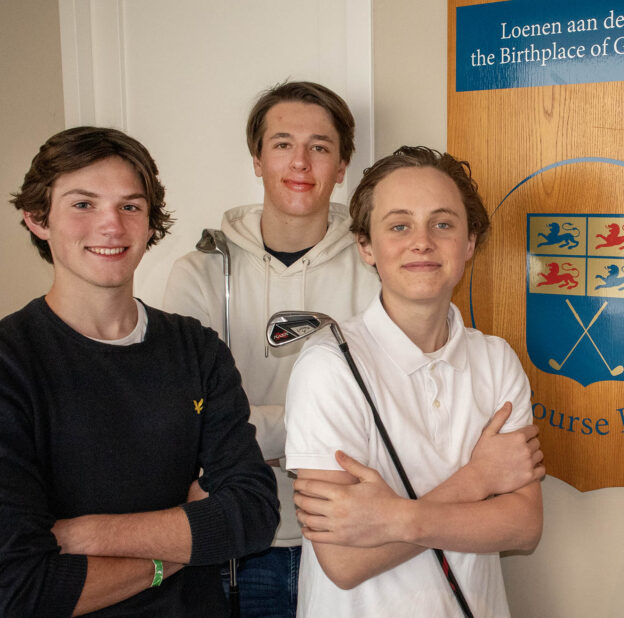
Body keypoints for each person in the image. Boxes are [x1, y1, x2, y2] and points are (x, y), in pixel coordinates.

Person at [0, 126, 279, 616]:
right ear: (38, 219)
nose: (111, 225)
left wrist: (91, 535)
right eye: (83, 204)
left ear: (151, 224)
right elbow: (22, 589)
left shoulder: (196, 349)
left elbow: (252, 515)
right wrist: (181, 544)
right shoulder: (12, 363)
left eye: (130, 206)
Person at [284, 146, 545, 617]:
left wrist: (395, 518)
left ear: (469, 243)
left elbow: (523, 527)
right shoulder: (328, 366)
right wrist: (477, 481)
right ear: (366, 246)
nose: (422, 242)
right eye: (399, 226)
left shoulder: (497, 360)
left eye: (442, 224)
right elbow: (344, 562)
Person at [164, 81, 380, 615]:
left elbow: (385, 413)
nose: (300, 162)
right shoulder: (200, 272)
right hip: (237, 540)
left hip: (351, 535)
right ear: (257, 160)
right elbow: (189, 424)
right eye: (283, 144)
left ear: (342, 166)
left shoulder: (379, 267)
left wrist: (251, 431)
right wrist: (320, 429)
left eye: (320, 146)